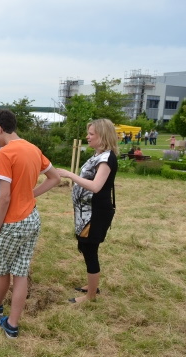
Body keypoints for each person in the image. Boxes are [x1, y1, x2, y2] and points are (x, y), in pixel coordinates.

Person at [0, 110, 60, 339]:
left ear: (0, 128)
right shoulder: (33, 148)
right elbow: (55, 178)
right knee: (20, 272)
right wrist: (31, 195)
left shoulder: (5, 153)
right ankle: (11, 324)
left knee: (1, 271)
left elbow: (5, 197)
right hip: (32, 219)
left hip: (12, 223)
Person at [57, 119, 118, 304]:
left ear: (103, 136)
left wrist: (69, 174)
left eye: (91, 134)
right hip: (86, 212)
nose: (87, 136)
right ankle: (91, 284)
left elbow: (96, 186)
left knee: (90, 249)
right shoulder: (98, 155)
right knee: (85, 246)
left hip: (96, 213)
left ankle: (90, 296)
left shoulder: (106, 158)